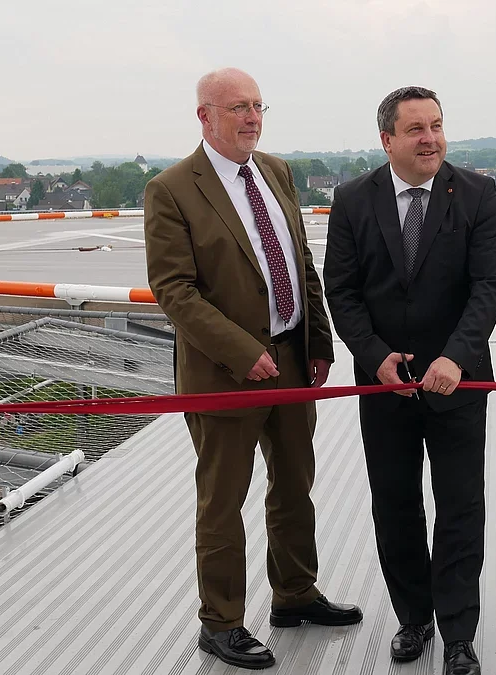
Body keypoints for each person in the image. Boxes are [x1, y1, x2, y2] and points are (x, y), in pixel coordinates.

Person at [143, 67, 362, 671]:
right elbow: (174, 290)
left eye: (258, 106)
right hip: (226, 374)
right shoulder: (172, 190)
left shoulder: (275, 171)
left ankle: (294, 594)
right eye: (237, 107)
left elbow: (299, 261)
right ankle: (221, 623)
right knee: (223, 501)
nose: (251, 118)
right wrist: (243, 351)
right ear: (204, 116)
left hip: (292, 360)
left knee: (295, 485)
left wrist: (318, 340)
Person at [323, 86, 496, 675]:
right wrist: (374, 355)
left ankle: (458, 632)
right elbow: (342, 291)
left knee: (460, 505)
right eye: (415, 130)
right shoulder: (352, 199)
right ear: (387, 140)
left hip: (458, 381)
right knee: (395, 503)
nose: (430, 139)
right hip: (384, 384)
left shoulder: (478, 193)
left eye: (436, 126)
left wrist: (457, 355)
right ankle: (414, 616)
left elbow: (489, 284)